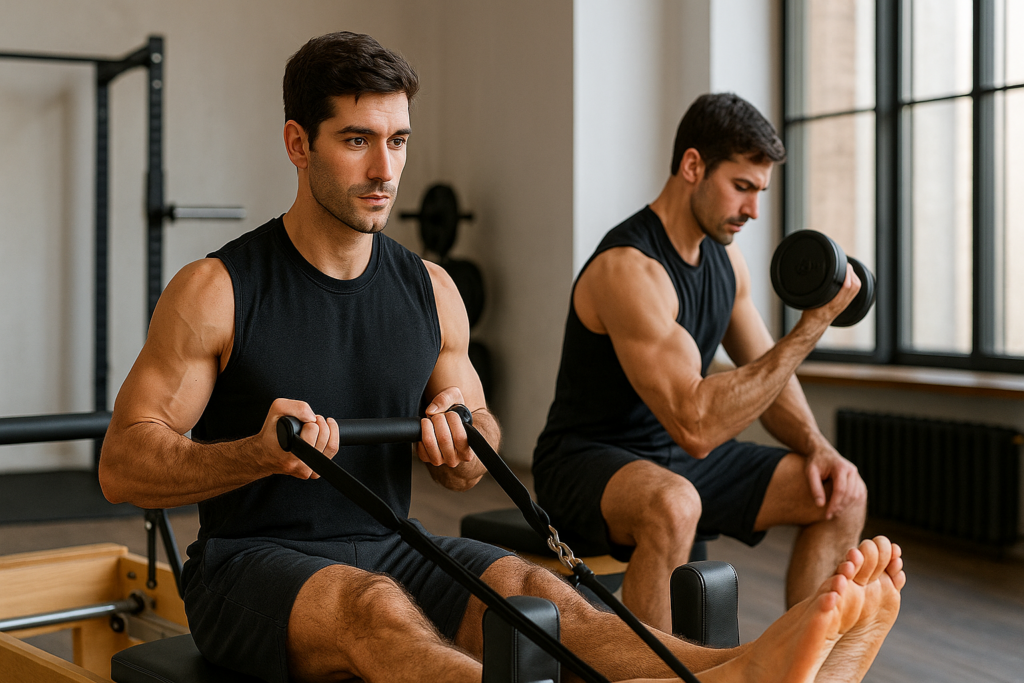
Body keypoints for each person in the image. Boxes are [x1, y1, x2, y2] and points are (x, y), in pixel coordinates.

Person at [100, 33, 903, 683]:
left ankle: (733, 671)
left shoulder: (431, 289)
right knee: (374, 608)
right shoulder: (218, 288)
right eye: (357, 141)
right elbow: (123, 465)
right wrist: (253, 452)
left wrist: (460, 433)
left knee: (533, 589)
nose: (385, 170)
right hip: (247, 565)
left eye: (398, 141)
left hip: (390, 541)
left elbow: (469, 450)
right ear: (297, 143)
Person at [533, 92, 869, 631]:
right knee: (674, 504)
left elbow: (771, 377)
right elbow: (696, 425)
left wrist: (821, 450)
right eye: (741, 187)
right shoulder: (628, 269)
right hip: (588, 459)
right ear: (693, 166)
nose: (753, 210)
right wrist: (810, 328)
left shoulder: (725, 262)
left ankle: (804, 666)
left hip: (675, 461)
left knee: (841, 493)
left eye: (759, 192)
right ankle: (658, 674)